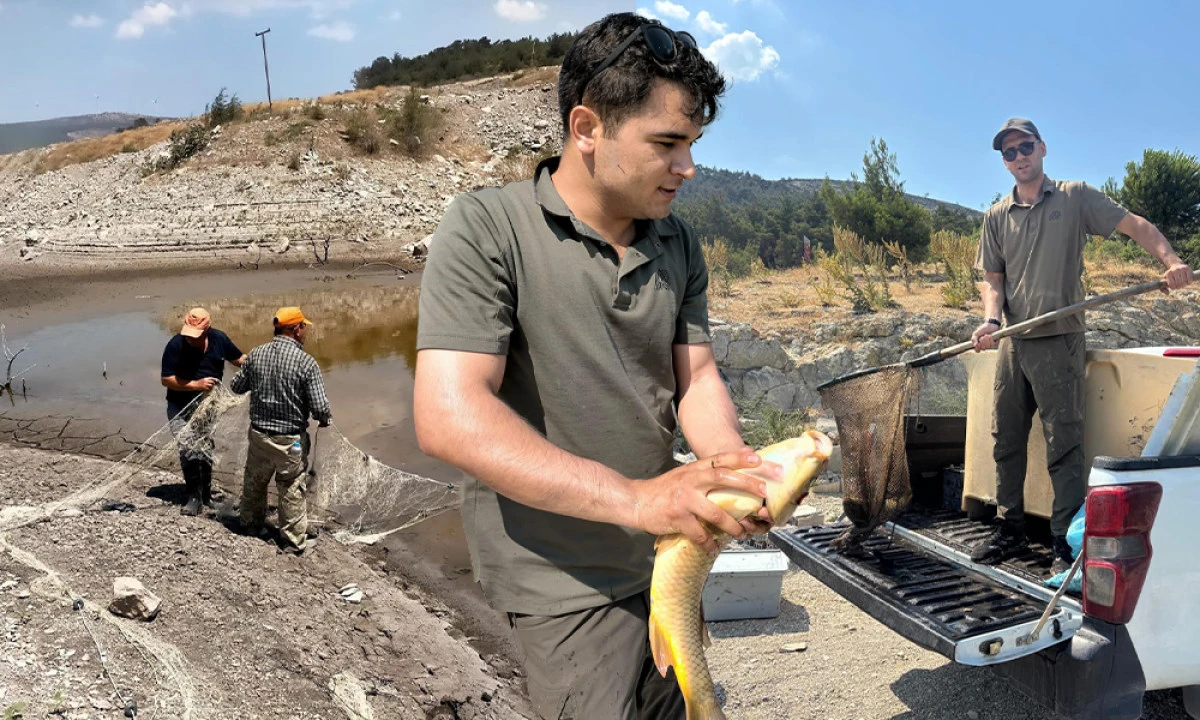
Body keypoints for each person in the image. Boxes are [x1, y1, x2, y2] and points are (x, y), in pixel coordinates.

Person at [413, 13, 783, 720]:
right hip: (562, 583)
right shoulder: (488, 227)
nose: (689, 168)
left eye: (695, 144)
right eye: (668, 144)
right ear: (587, 128)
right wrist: (639, 500)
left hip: (667, 558)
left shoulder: (677, 242)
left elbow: (696, 378)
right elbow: (449, 416)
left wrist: (736, 467)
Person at [969, 118, 1193, 574]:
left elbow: (1135, 226)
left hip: (1060, 340)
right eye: (1008, 153)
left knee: (1064, 445)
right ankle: (1008, 531)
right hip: (1013, 342)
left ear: (1042, 148)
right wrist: (990, 320)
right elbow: (992, 280)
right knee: (1006, 440)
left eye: (1025, 147)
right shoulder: (996, 216)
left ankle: (1061, 543)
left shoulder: (1074, 197)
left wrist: (1172, 262)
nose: (1018, 157)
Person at [229, 307, 331, 556]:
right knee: (291, 487)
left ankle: (250, 526)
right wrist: (325, 417)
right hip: (290, 440)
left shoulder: (257, 354)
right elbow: (319, 407)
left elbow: (236, 386)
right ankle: (293, 542)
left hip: (260, 435)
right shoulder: (306, 363)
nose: (305, 331)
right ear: (296, 330)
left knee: (255, 480)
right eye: (303, 327)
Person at [160, 307, 246, 516]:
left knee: (205, 447)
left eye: (196, 335)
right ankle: (193, 497)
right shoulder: (176, 345)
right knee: (188, 447)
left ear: (207, 330)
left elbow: (239, 360)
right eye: (189, 333)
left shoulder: (219, 339)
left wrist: (261, 363)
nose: (191, 339)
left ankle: (205, 496)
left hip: (208, 407)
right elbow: (166, 379)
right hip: (180, 405)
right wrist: (195, 384)